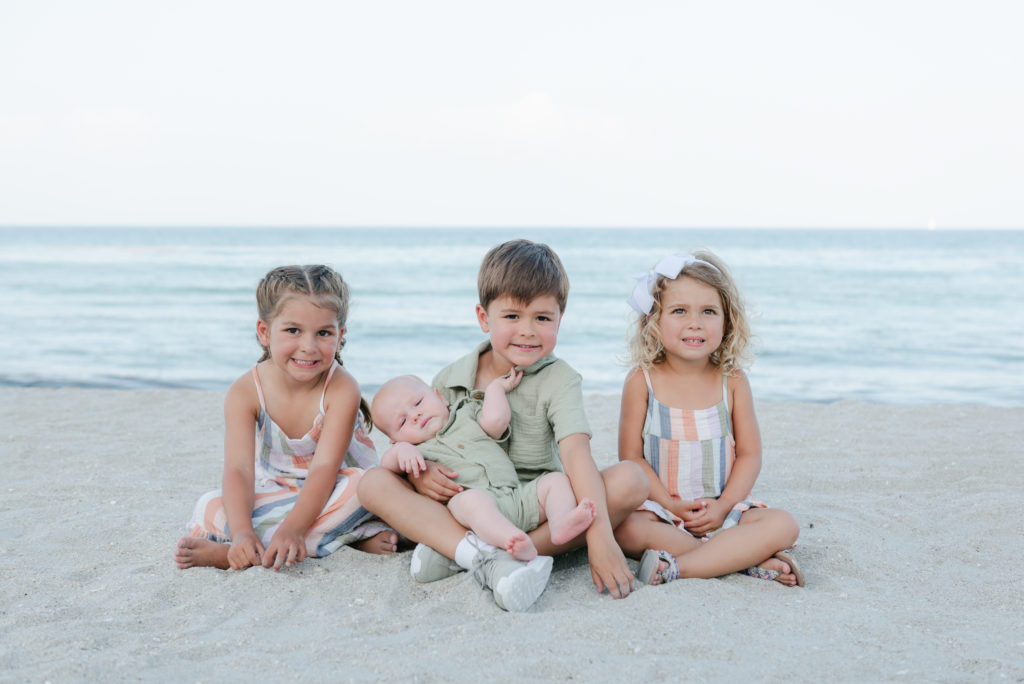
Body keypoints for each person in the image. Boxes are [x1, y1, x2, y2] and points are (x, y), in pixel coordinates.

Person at [358, 239, 649, 611]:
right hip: (468, 506)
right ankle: (481, 552)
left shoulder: (561, 380)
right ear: (484, 318)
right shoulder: (449, 379)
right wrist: (420, 475)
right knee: (373, 483)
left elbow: (576, 453)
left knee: (631, 480)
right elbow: (426, 445)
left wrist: (601, 538)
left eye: (542, 318)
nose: (527, 330)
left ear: (560, 319)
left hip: (536, 507)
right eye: (512, 316)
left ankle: (473, 556)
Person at [174, 264, 396, 571]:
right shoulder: (245, 391)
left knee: (366, 485)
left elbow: (325, 470)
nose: (308, 346)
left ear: (340, 335)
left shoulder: (342, 388)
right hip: (276, 489)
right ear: (264, 332)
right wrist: (241, 531)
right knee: (210, 503)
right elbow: (238, 470)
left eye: (323, 333)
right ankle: (259, 544)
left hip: (333, 490)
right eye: (293, 330)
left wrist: (292, 529)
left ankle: (245, 553)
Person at [614, 251, 804, 586]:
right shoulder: (641, 381)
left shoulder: (733, 381)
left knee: (784, 525)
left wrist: (724, 506)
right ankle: (740, 560)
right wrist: (670, 504)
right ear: (653, 321)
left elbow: (749, 454)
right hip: (664, 511)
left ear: (727, 320)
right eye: (679, 311)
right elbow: (631, 457)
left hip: (724, 508)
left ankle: (682, 567)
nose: (695, 322)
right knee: (627, 529)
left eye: (708, 311)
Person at [371, 372, 596, 561]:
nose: (415, 415)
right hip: (472, 514)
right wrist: (401, 450)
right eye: (402, 422)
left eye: (418, 403)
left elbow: (496, 422)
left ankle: (560, 524)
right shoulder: (415, 451)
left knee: (555, 480)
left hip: (516, 496)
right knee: (472, 501)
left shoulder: (466, 412)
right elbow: (387, 466)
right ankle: (512, 539)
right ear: (394, 439)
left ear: (440, 397)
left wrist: (496, 389)